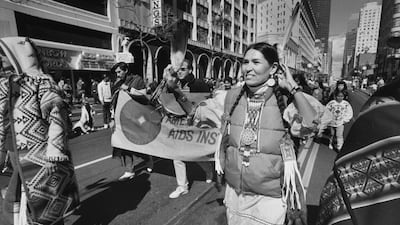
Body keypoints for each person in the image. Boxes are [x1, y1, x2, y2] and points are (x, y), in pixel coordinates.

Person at [193, 42, 318, 225]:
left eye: (256, 62)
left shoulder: (286, 97)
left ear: (273, 67)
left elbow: (311, 125)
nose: (248, 68)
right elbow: (198, 113)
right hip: (236, 194)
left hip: (269, 199)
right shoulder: (231, 96)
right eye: (245, 62)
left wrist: (293, 87)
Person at [0, 37, 79, 224]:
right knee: (28, 199)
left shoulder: (41, 82)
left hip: (36, 152)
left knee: (38, 199)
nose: (0, 58)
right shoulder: (5, 84)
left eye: (2, 53)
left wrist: (54, 153)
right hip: (12, 151)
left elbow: (57, 118)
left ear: (15, 54)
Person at [316, 77, 400, 225]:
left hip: (360, 211)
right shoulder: (383, 103)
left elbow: (337, 196)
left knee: (339, 136)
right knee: (335, 136)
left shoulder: (381, 104)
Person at [163, 58, 215, 199]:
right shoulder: (173, 82)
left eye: (183, 69)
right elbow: (164, 100)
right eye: (178, 69)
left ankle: (208, 170)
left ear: (190, 70)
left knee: (196, 154)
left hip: (196, 126)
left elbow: (206, 105)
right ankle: (182, 186)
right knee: (177, 156)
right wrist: (166, 80)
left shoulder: (199, 84)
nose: (179, 72)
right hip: (179, 124)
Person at [111, 62, 154, 181]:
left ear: (126, 70)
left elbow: (144, 95)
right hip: (122, 118)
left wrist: (129, 89)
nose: (118, 75)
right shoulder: (117, 83)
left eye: (119, 72)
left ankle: (148, 159)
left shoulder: (137, 80)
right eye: (116, 73)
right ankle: (129, 170)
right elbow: (114, 102)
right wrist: (112, 118)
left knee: (136, 143)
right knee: (123, 144)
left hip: (136, 116)